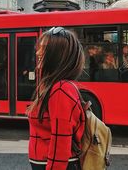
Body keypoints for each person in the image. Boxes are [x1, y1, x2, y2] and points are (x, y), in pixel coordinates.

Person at [27, 27, 85, 170]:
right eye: (39, 47)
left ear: (58, 55)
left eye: (44, 48)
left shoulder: (60, 89)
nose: (38, 52)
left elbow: (61, 140)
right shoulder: (53, 86)